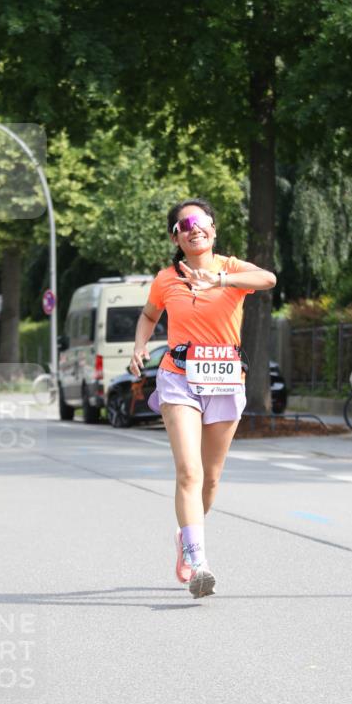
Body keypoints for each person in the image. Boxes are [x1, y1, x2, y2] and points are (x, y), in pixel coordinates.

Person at [130, 199, 276, 599]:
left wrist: (222, 282)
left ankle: (185, 537)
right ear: (176, 236)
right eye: (184, 224)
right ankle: (198, 562)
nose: (193, 228)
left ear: (213, 227)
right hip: (179, 377)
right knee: (189, 472)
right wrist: (140, 346)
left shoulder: (232, 269)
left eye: (200, 221)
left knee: (210, 479)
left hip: (227, 380)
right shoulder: (165, 279)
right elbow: (148, 315)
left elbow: (269, 280)